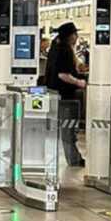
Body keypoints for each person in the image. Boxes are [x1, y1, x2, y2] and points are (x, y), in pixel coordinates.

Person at [44, 20, 87, 167]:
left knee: (65, 128)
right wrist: (79, 82)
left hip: (54, 92)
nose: (77, 37)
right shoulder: (65, 50)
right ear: (71, 36)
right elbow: (63, 75)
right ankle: (74, 159)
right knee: (68, 129)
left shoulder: (55, 47)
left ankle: (73, 158)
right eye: (76, 34)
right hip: (64, 95)